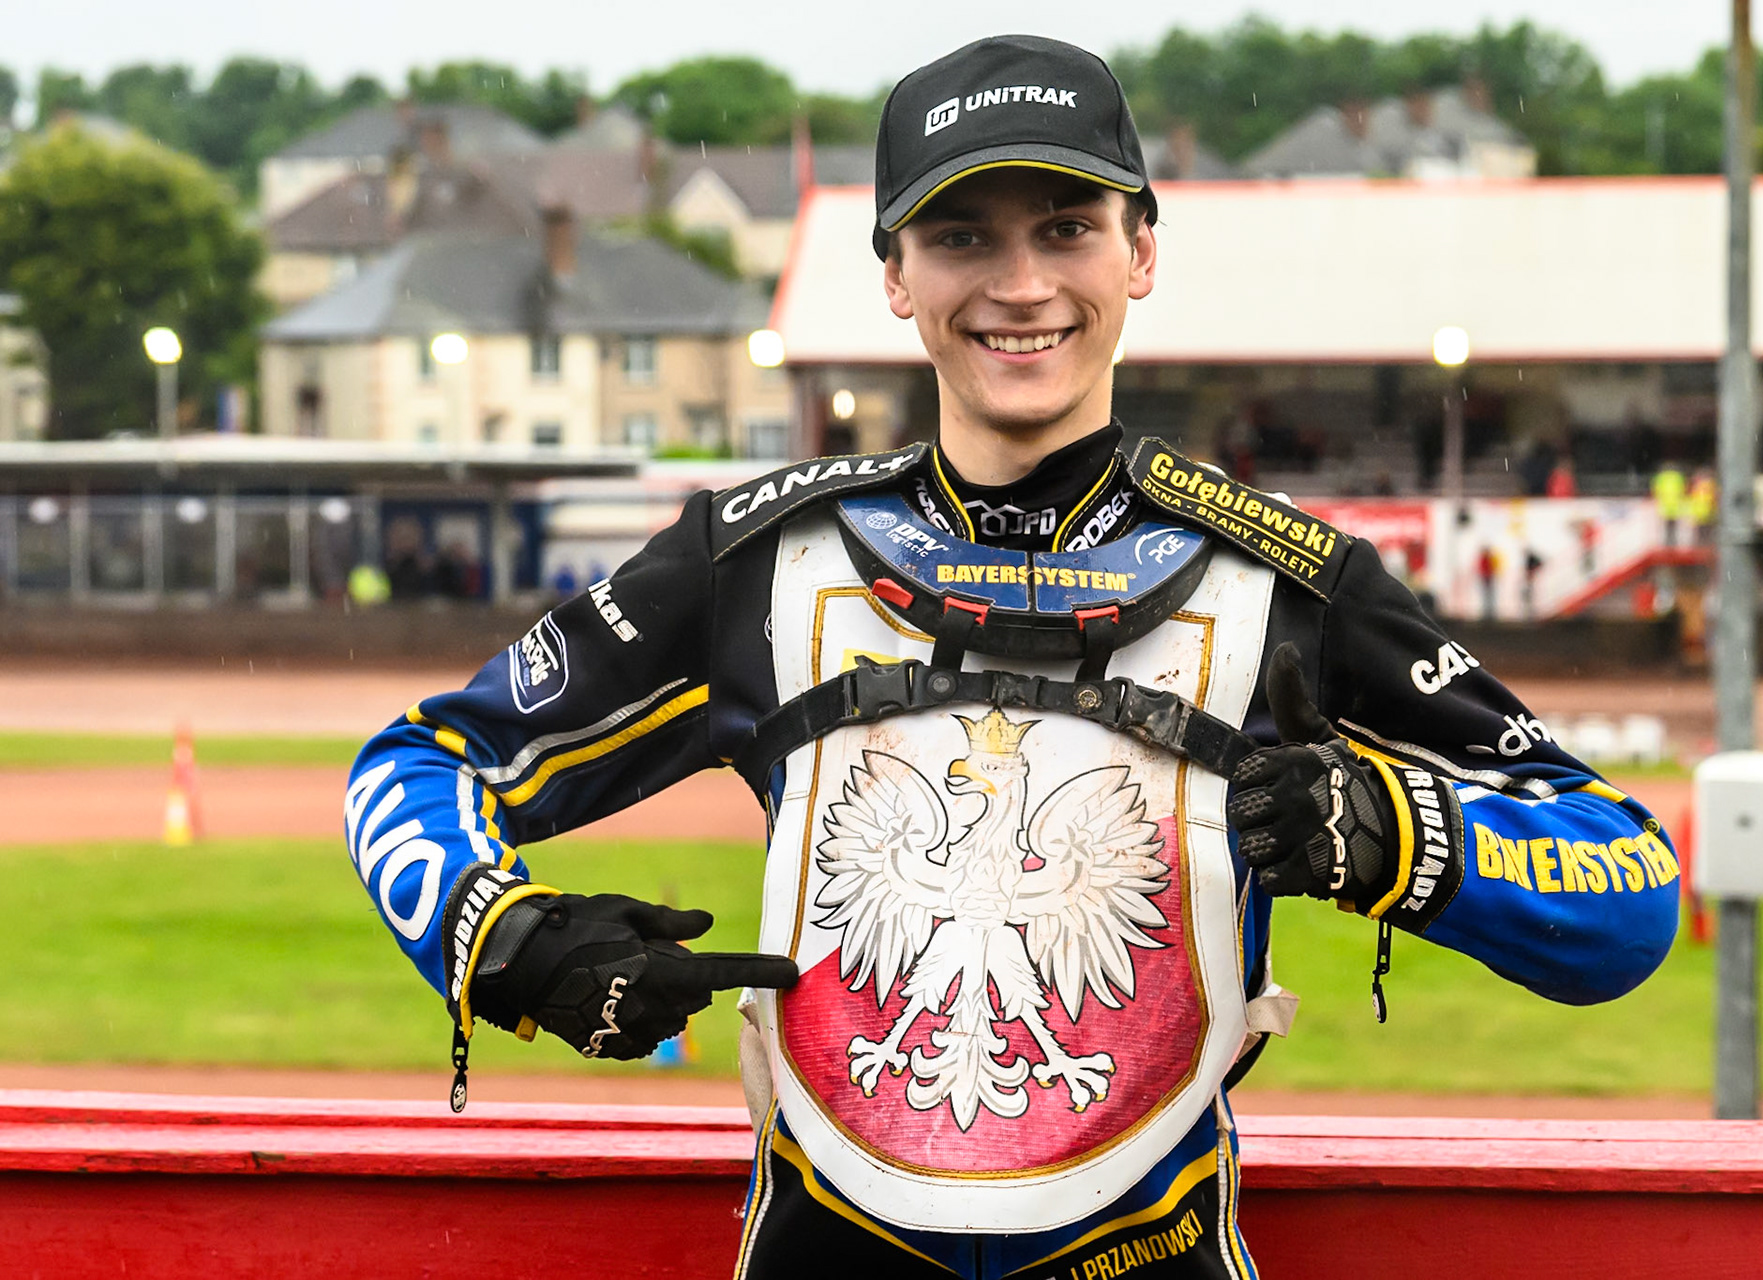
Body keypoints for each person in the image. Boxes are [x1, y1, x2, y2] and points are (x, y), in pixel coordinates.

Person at [345, 35, 1678, 1278]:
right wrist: (507, 939)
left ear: (1141, 251)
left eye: (1067, 229)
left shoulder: (1290, 585)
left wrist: (1408, 835)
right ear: (894, 275)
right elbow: (419, 763)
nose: (1022, 283)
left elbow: (1630, 888)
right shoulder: (746, 560)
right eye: (962, 236)